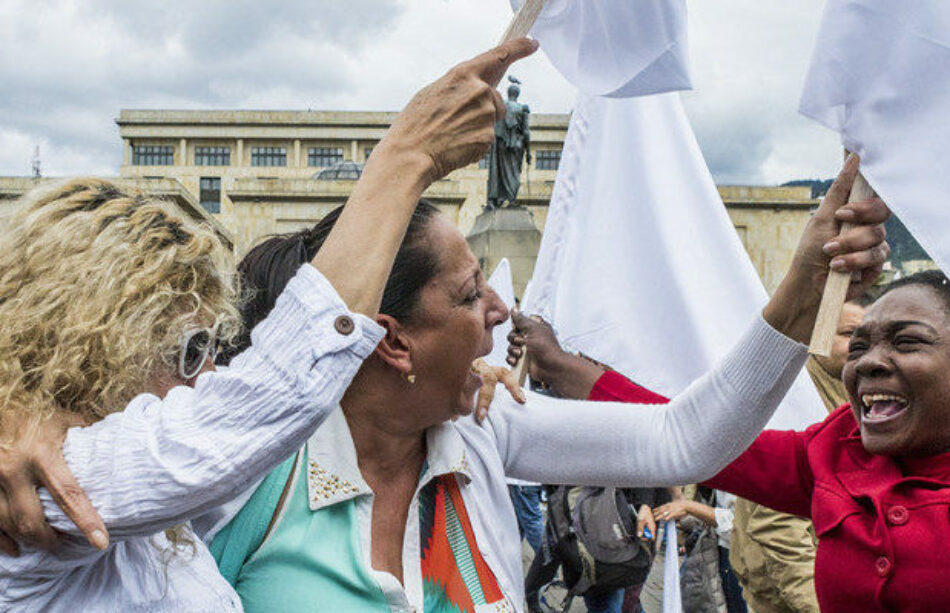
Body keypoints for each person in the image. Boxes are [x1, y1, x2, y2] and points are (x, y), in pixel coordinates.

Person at [2, 154, 887, 613]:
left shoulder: (483, 430)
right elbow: (125, 442)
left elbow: (681, 440)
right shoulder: (238, 469)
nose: (502, 310)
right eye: (469, 295)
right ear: (389, 339)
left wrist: (804, 279)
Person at [0, 37, 540, 612]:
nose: (213, 372)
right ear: (94, 353)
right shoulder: (49, 492)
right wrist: (407, 156)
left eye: (214, 345)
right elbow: (272, 394)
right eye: (190, 351)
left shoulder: (115, 490)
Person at [729, 295, 871, 613]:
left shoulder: (851, 397)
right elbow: (778, 528)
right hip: (792, 597)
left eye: (870, 338)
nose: (863, 349)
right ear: (817, 336)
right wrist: (818, 606)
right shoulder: (796, 400)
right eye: (850, 335)